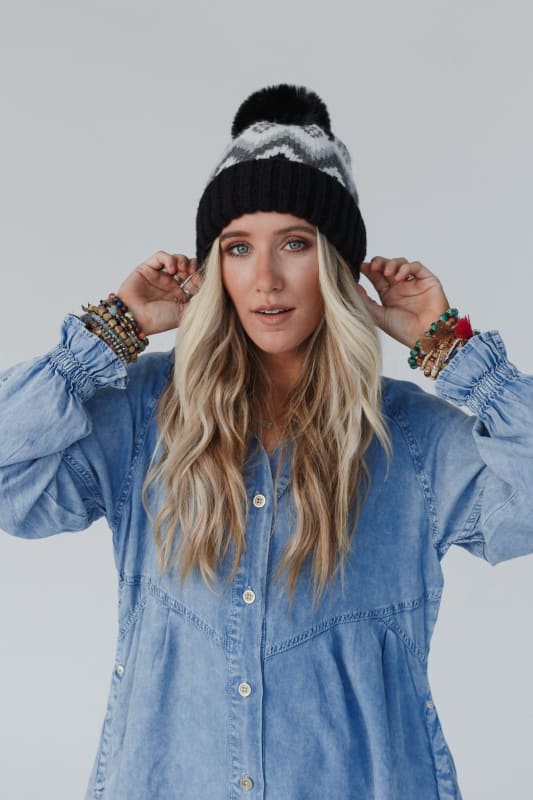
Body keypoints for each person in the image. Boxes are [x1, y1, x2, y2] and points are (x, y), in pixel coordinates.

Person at [0, 83, 532, 800]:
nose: (266, 279)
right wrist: (109, 331)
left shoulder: (411, 441)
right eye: (238, 247)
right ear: (213, 267)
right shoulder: (146, 419)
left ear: (337, 265)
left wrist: (452, 350)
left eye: (295, 244)